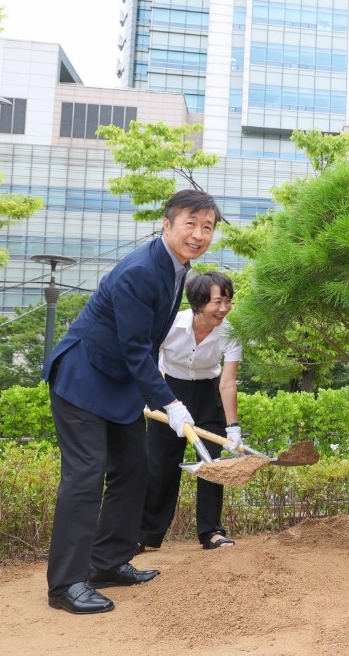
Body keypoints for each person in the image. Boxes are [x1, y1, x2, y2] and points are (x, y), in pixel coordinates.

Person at [41, 189, 223, 614]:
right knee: (85, 477)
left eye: (207, 227)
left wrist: (161, 397)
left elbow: (140, 347)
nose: (198, 234)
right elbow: (136, 348)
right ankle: (66, 584)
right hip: (83, 378)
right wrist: (171, 402)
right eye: (189, 224)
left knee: (134, 470)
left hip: (118, 384)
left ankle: (106, 563)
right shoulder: (141, 270)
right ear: (167, 224)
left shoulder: (178, 267)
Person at [139, 271, 243, 552]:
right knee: (160, 466)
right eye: (218, 302)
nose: (224, 309)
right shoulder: (170, 324)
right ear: (198, 302)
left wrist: (233, 427)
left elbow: (228, 382)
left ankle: (211, 532)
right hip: (168, 392)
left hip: (208, 395)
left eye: (228, 301)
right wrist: (151, 398)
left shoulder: (231, 333)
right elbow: (147, 362)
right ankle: (146, 534)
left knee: (211, 465)